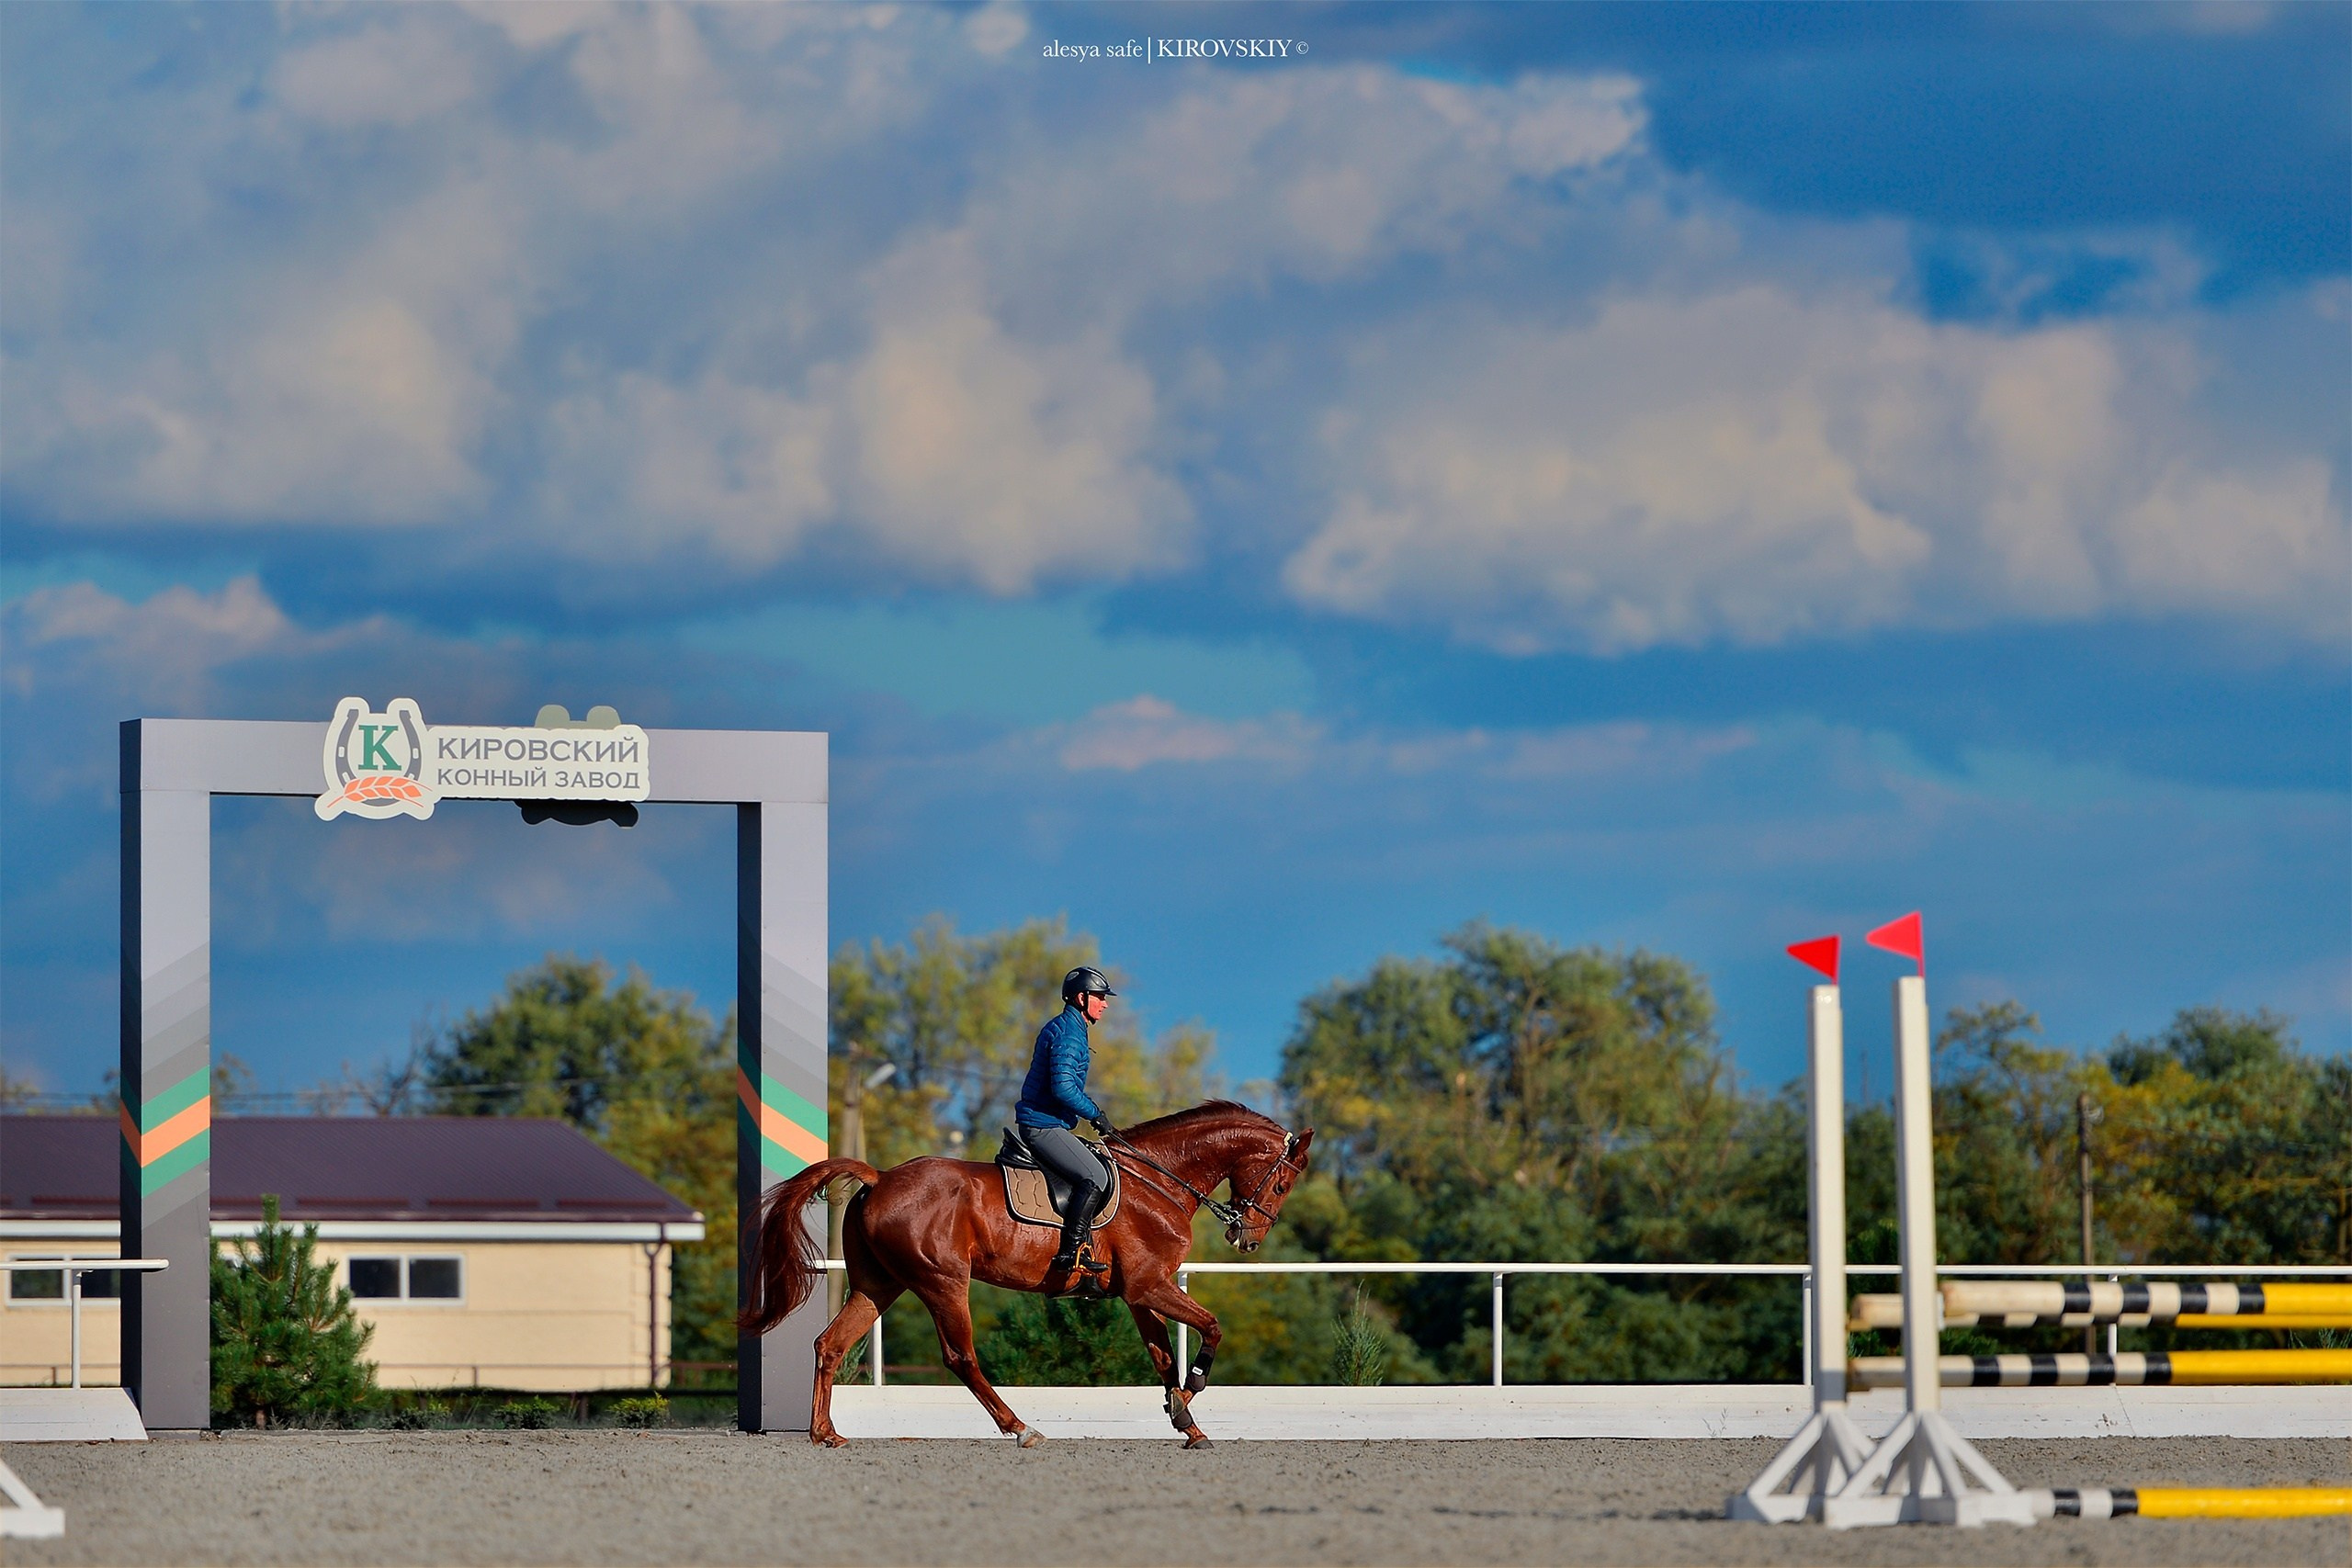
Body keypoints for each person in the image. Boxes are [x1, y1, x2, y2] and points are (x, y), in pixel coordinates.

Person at [1015, 965, 1119, 1282]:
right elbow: (1063, 1087)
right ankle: (1072, 1251)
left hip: (1047, 1122)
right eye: (1100, 997)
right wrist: (1095, 1114)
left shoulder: (1068, 1027)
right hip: (1042, 1125)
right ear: (1081, 997)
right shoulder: (1070, 1034)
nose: (1105, 1003)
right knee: (1096, 1176)